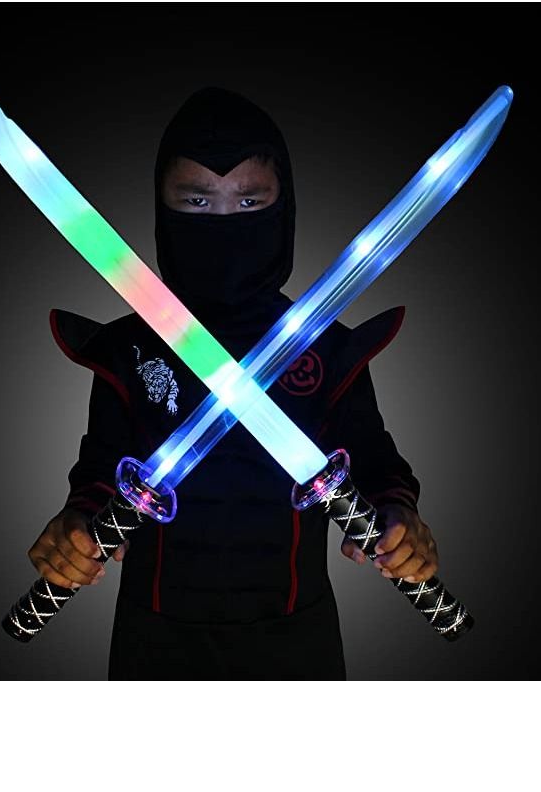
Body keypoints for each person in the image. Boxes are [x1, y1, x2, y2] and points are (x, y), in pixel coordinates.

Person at [27, 86, 439, 680]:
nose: (223, 222)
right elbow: (99, 471)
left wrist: (399, 519)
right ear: (163, 207)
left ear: (282, 207)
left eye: (250, 200)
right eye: (196, 200)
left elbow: (377, 464)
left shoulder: (324, 348)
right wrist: (76, 529)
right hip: (155, 640)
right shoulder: (132, 350)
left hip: (297, 641)